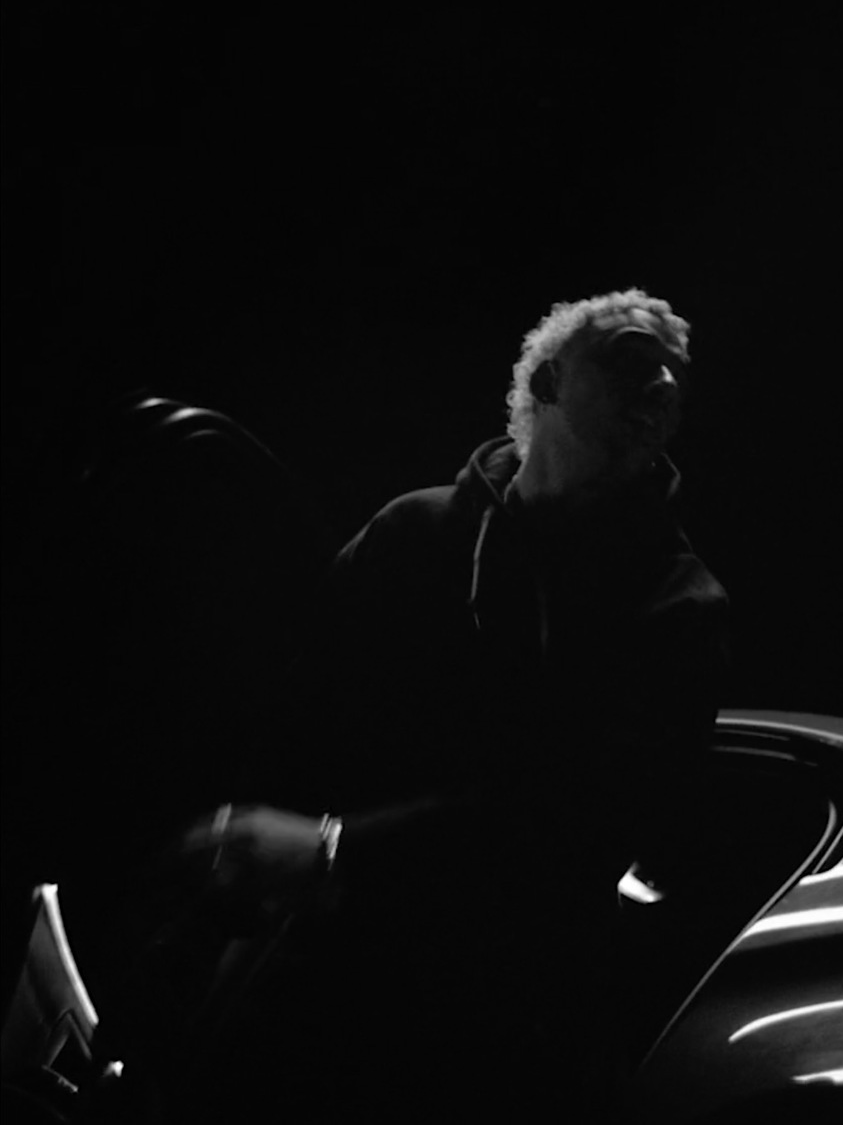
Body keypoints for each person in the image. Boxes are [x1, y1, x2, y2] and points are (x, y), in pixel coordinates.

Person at [163, 288, 731, 1122]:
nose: (659, 385)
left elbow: (581, 820)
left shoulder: (678, 608)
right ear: (545, 380)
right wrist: (234, 893)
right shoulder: (414, 533)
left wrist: (335, 852)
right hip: (321, 973)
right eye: (629, 358)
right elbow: (296, 727)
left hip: (491, 1026)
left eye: (673, 376)